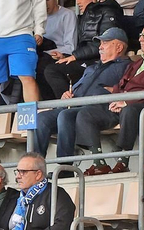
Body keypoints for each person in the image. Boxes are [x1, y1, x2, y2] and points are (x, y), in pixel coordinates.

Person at [72, 21, 144, 174]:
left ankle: (123, 160)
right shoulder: (138, 63)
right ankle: (98, 161)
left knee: (130, 110)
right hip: (124, 104)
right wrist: (116, 99)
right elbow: (121, 84)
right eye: (140, 36)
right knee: (85, 114)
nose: (140, 40)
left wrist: (127, 101)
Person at [34, 27, 131, 162]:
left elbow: (131, 88)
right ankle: (33, 166)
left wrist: (114, 90)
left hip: (99, 111)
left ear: (119, 47)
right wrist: (66, 95)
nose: (100, 47)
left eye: (105, 43)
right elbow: (76, 88)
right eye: (100, 43)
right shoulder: (91, 68)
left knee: (65, 116)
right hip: (75, 106)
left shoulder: (127, 67)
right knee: (41, 118)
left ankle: (65, 167)